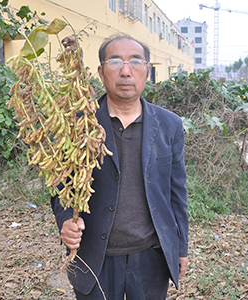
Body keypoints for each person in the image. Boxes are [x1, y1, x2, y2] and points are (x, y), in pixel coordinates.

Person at [51, 33, 189, 300]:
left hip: (151, 254)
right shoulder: (79, 123)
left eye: (135, 62)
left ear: (147, 71)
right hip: (94, 255)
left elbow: (177, 194)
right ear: (101, 73)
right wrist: (66, 221)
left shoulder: (169, 125)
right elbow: (62, 186)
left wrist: (180, 248)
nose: (126, 71)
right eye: (115, 62)